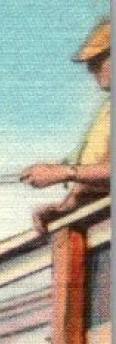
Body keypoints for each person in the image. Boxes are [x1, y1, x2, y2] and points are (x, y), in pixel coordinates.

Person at [22, 22, 111, 234]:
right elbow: (98, 169)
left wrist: (63, 172)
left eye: (97, 60)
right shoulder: (107, 110)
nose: (90, 69)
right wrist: (66, 207)